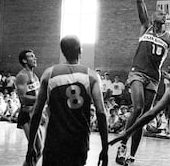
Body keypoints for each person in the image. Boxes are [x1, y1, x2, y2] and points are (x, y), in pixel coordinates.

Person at [116, 0, 170, 166]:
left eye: (163, 13)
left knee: (144, 118)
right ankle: (123, 143)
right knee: (138, 107)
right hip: (137, 73)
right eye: (158, 12)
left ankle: (132, 157)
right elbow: (139, 0)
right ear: (152, 17)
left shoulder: (169, 38)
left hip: (154, 77)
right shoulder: (145, 26)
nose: (161, 13)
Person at [25, 36, 108, 166]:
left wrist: (30, 146)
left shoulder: (49, 74)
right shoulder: (91, 76)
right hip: (79, 141)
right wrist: (105, 148)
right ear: (80, 50)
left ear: (62, 52)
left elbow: (36, 113)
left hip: (54, 141)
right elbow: (101, 113)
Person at [15, 50, 43, 165]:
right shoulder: (22, 76)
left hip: (35, 114)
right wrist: (42, 99)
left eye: (34, 56)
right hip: (27, 115)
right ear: (24, 60)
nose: (35, 58)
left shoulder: (35, 76)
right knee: (34, 150)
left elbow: (36, 94)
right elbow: (22, 98)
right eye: (31, 57)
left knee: (39, 150)